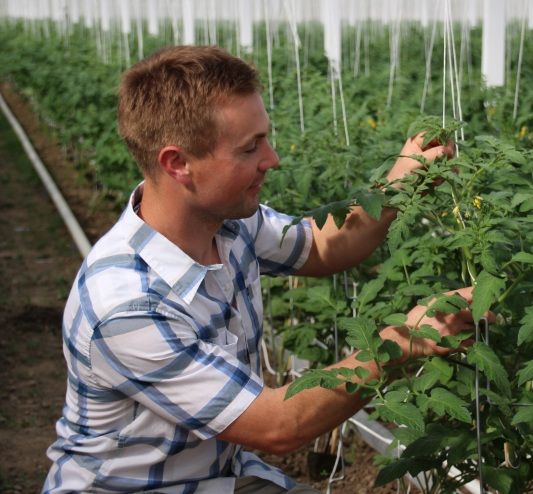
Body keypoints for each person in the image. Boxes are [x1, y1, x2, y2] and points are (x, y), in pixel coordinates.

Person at [42, 45, 484, 494]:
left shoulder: (230, 222)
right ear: (178, 164)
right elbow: (278, 425)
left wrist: (401, 182)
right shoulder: (127, 304)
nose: (271, 159)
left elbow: (323, 246)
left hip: (219, 477)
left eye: (265, 138)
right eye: (250, 147)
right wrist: (404, 340)